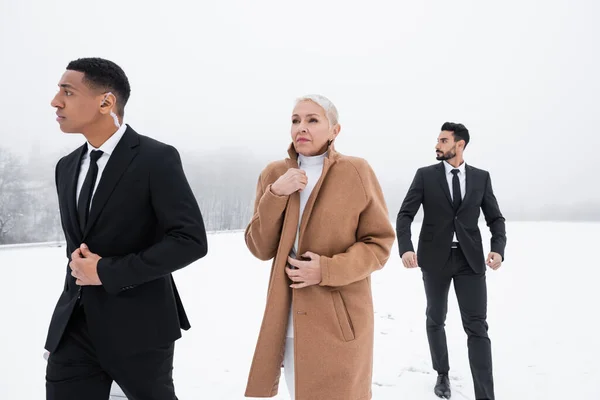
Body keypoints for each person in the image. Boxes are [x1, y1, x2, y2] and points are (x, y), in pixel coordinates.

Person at [45, 57, 208, 400]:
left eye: (67, 91)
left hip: (141, 329)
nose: (55, 101)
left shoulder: (155, 159)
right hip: (73, 329)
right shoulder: (66, 167)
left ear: (106, 102)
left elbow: (189, 240)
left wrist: (107, 271)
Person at [243, 94, 395, 400]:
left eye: (313, 120)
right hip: (287, 321)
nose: (302, 127)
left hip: (340, 321)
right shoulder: (274, 174)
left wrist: (325, 270)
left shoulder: (356, 171)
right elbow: (259, 247)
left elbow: (379, 244)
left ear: (334, 130)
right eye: (296, 120)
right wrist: (275, 194)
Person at [396, 122, 506, 400]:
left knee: (477, 326)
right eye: (437, 140)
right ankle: (442, 373)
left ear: (460, 145)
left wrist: (498, 248)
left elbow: (495, 218)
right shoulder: (425, 176)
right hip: (434, 259)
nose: (437, 145)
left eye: (443, 141)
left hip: (470, 260)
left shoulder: (481, 178)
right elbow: (404, 215)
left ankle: (485, 395)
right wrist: (406, 248)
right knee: (436, 317)